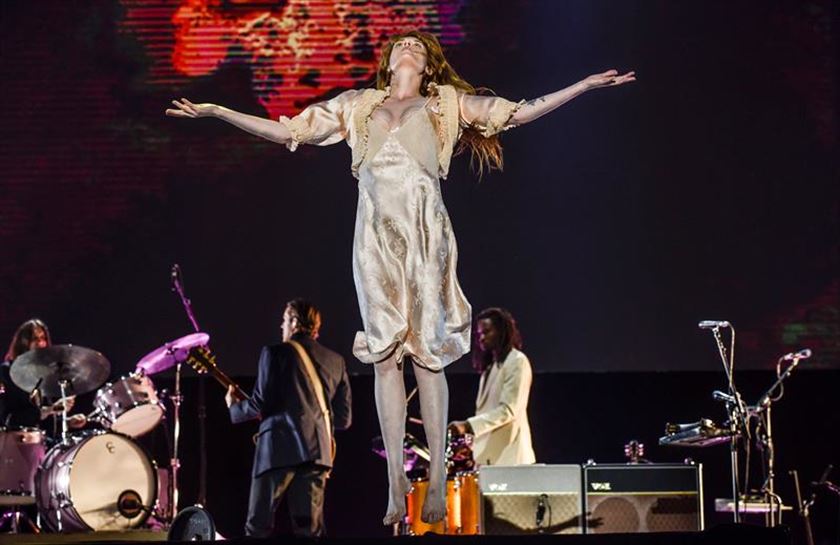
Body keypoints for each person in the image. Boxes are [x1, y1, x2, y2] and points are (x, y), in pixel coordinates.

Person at [167, 29, 634, 524]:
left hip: (426, 235)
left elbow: (516, 112)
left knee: (428, 359)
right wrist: (218, 112)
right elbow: (288, 131)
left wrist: (580, 86)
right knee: (385, 357)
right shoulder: (356, 106)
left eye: (418, 44)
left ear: (428, 64)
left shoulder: (446, 103)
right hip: (373, 241)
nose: (409, 45)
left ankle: (434, 483)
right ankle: (394, 484)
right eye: (402, 43)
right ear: (389, 61)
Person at [224, 299, 352, 537]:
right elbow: (344, 420)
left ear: (294, 322)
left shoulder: (273, 354)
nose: (281, 327)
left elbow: (258, 404)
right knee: (309, 531)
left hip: (276, 451)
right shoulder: (336, 361)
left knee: (257, 527)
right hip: (317, 454)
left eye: (284, 321)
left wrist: (234, 407)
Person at [449, 307, 535, 466]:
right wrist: (471, 447)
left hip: (510, 460)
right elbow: (487, 415)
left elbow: (508, 410)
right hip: (490, 460)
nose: (481, 338)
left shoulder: (517, 361)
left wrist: (467, 426)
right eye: (479, 334)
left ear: (501, 332)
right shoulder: (489, 369)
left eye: (486, 332)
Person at [1, 319, 86, 430]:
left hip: (40, 443)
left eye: (43, 339)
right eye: (35, 339)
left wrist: (68, 422)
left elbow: (43, 423)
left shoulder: (42, 375)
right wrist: (50, 409)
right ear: (23, 343)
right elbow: (8, 419)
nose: (41, 344)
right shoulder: (5, 372)